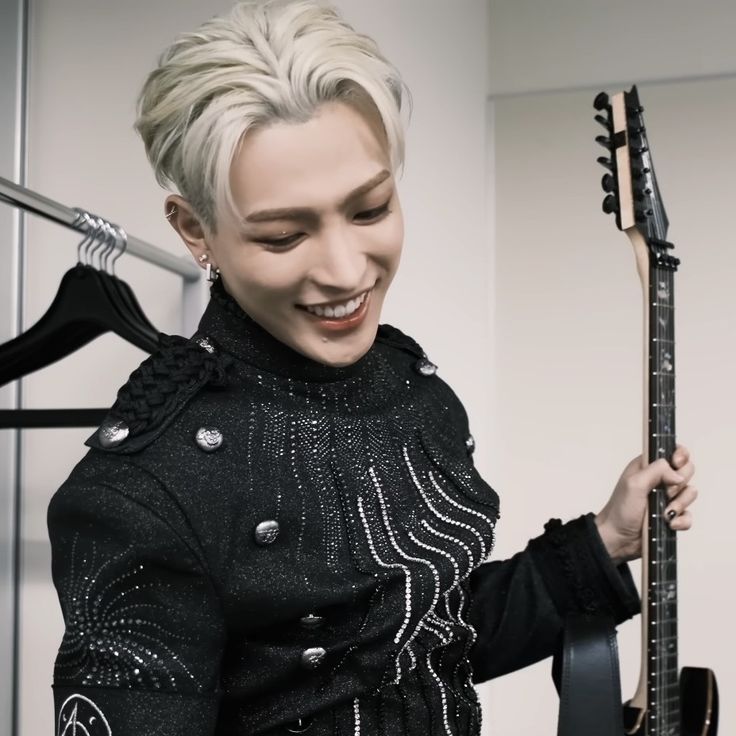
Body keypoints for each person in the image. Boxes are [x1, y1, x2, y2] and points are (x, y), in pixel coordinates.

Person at [47, 1, 698, 735]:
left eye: (369, 209)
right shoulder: (140, 491)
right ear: (196, 230)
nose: (345, 270)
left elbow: (425, 641)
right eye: (285, 234)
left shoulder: (416, 396)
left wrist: (604, 539)